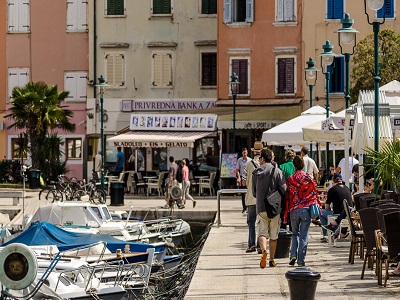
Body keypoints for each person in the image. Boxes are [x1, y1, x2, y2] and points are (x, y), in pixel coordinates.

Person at [252, 149, 286, 268]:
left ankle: (264, 251)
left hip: (261, 207)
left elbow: (254, 192)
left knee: (261, 233)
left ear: (261, 158)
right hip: (275, 208)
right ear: (271, 158)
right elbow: (283, 189)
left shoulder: (256, 172)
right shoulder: (277, 171)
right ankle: (271, 259)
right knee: (273, 236)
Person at [285, 155, 321, 267]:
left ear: (294, 166)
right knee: (304, 235)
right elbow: (313, 194)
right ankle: (301, 260)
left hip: (293, 210)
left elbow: (288, 195)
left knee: (295, 233)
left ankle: (293, 255)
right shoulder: (308, 178)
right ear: (303, 165)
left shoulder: (290, 179)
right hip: (305, 210)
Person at [319, 173, 352, 241]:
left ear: (333, 180)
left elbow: (327, 207)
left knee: (321, 212)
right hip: (349, 214)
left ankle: (325, 235)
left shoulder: (332, 189)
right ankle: (333, 231)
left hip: (337, 214)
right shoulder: (347, 189)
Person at [244, 141, 263, 253]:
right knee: (261, 222)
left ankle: (251, 245)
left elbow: (246, 182)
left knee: (251, 222)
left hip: (251, 196)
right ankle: (260, 245)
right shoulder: (264, 164)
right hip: (261, 197)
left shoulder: (249, 164)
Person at [237, 147, 251, 214]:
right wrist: (239, 177)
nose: (244, 154)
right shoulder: (239, 160)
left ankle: (248, 207)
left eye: (245, 152)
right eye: (243, 152)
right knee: (243, 194)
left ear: (247, 152)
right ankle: (244, 208)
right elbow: (237, 169)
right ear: (242, 153)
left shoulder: (250, 160)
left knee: (249, 193)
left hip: (248, 178)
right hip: (242, 177)